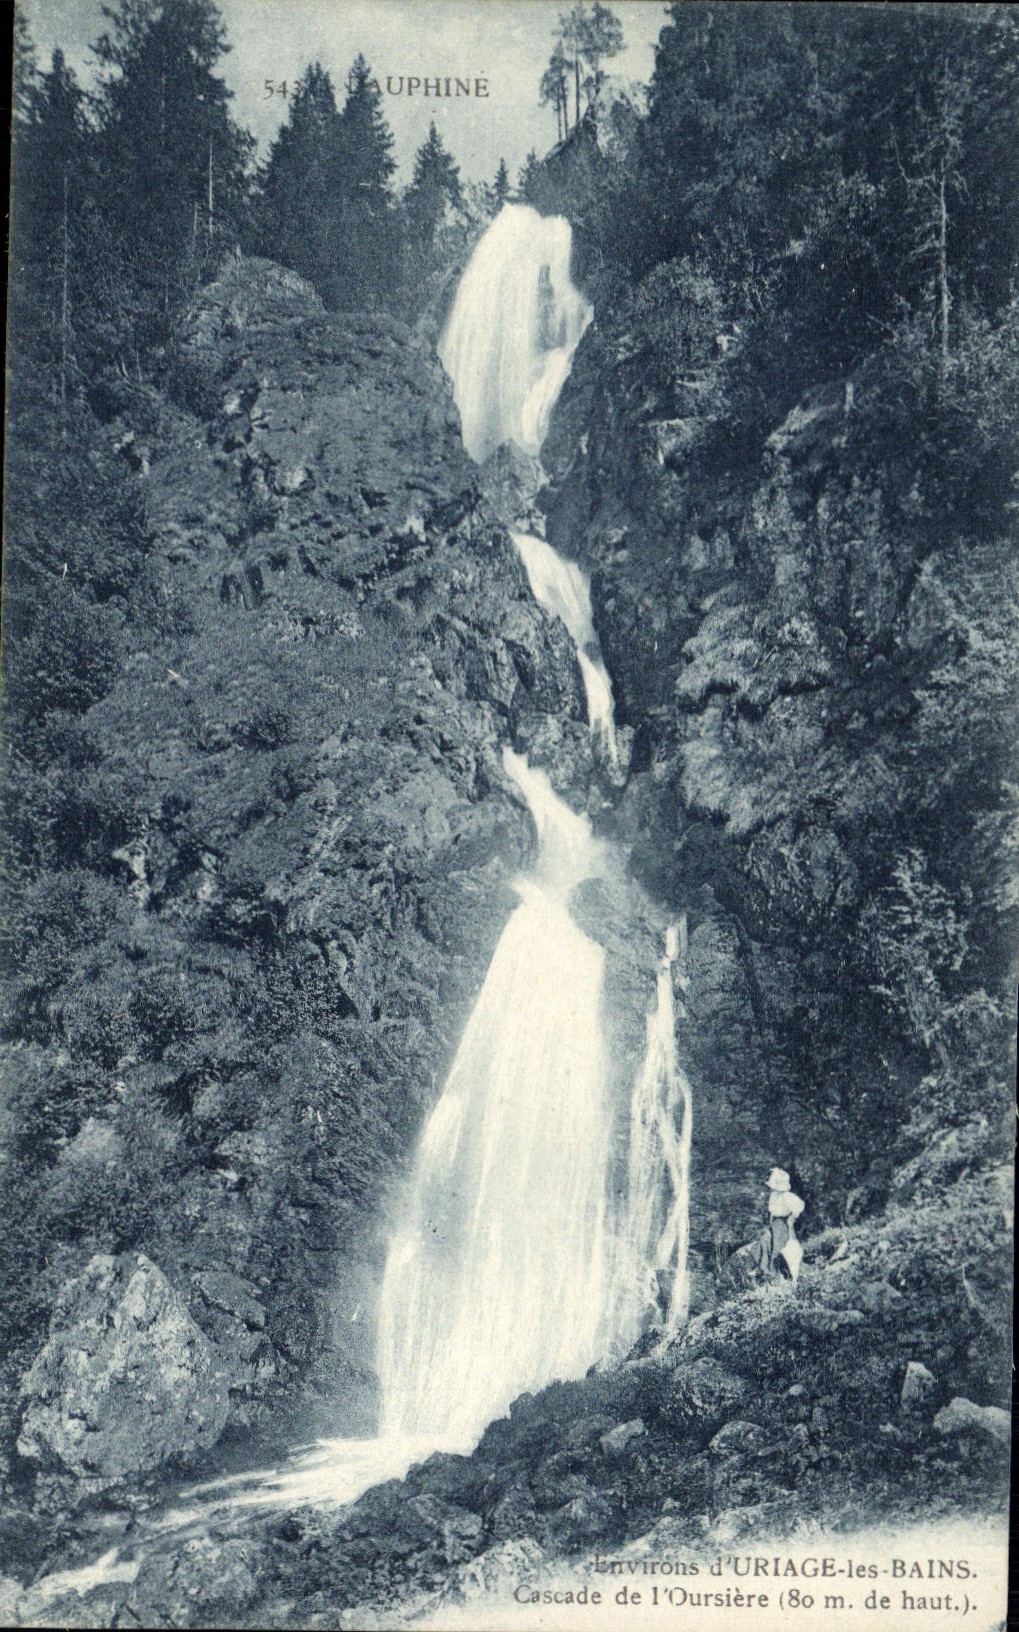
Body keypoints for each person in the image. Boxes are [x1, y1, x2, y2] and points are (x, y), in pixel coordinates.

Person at [766, 1167, 805, 1283]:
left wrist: (791, 1219)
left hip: (782, 1224)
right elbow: (771, 1212)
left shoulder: (786, 1196)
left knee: (783, 1250)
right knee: (772, 1250)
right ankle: (775, 1278)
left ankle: (788, 1278)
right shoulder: (773, 1195)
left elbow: (799, 1206)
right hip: (775, 1224)